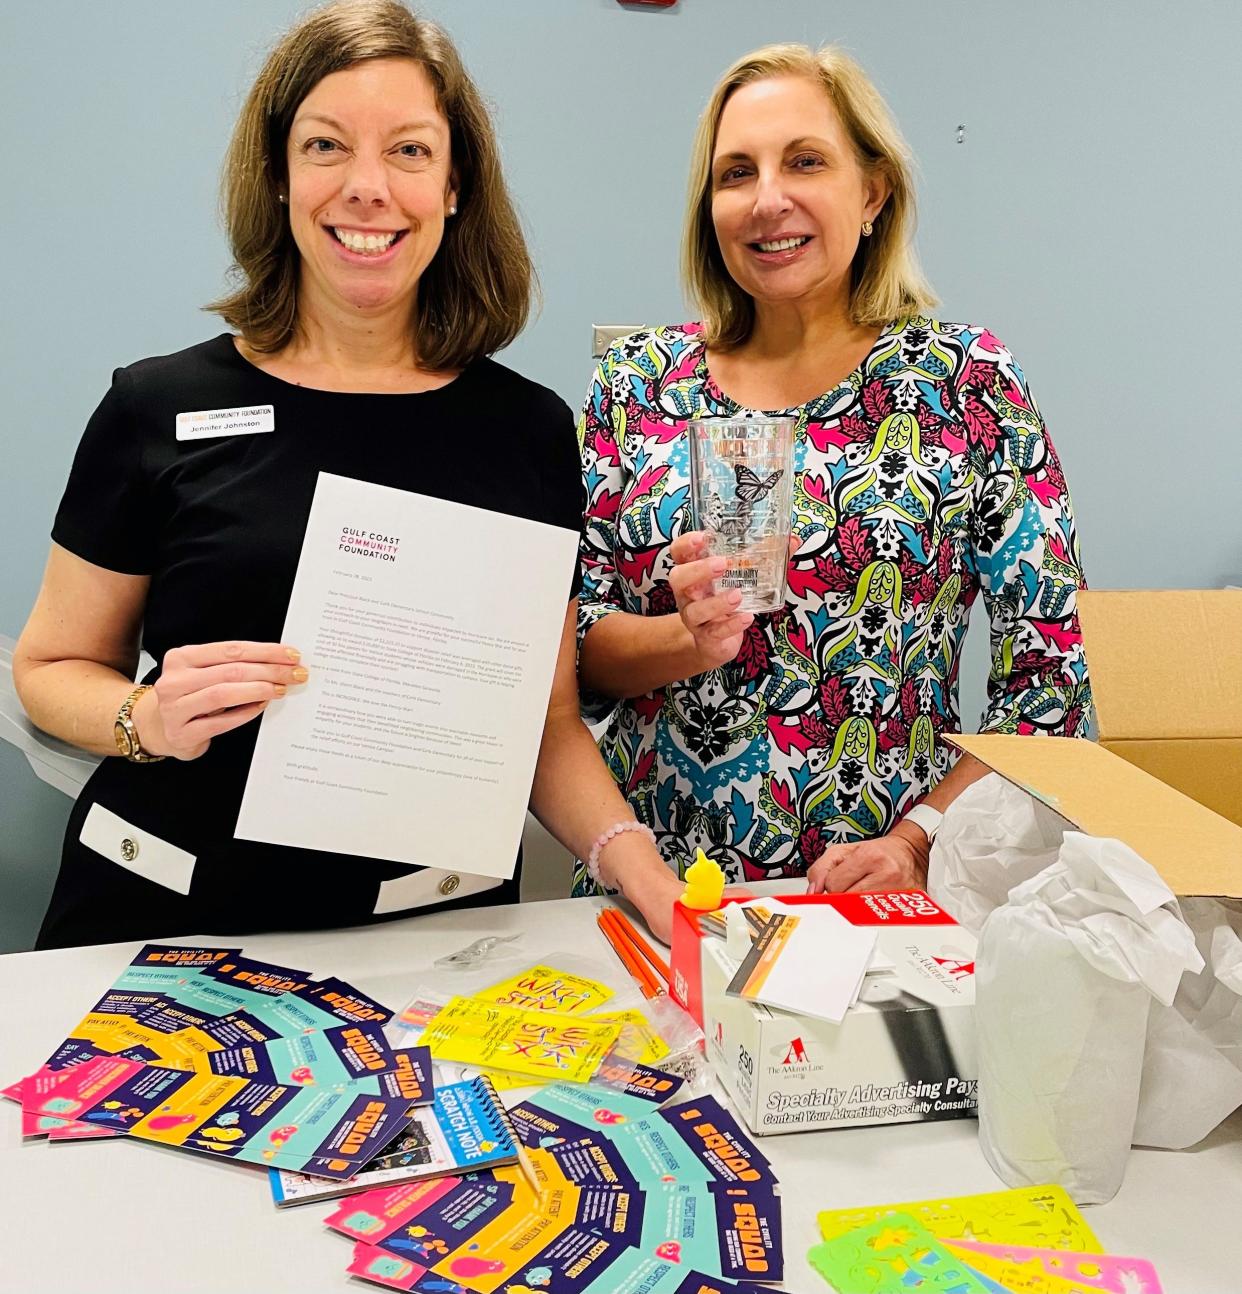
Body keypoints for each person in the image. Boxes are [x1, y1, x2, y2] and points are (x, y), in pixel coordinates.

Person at [14, 0, 681, 949]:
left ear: (455, 187)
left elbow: (547, 724)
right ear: (281, 177)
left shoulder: (527, 431)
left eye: (409, 151)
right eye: (326, 146)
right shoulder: (153, 407)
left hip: (426, 943)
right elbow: (49, 668)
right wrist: (145, 715)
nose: (367, 188)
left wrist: (637, 866)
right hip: (156, 924)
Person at [574, 43, 1091, 901]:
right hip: (655, 895)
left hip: (877, 900)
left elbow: (1052, 680)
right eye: (735, 172)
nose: (768, 198)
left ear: (873, 191)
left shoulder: (965, 383)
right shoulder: (636, 385)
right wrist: (682, 637)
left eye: (805, 161)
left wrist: (920, 843)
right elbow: (573, 657)